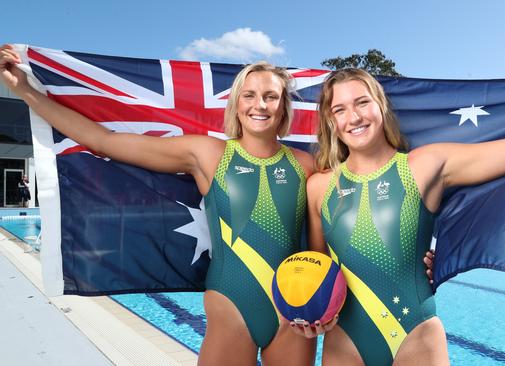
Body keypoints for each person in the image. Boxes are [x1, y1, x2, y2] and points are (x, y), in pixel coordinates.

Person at [298, 61, 505, 365]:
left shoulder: (424, 166)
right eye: (339, 109)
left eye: (362, 102)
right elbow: (318, 273)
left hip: (415, 336)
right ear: (330, 120)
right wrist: (312, 316)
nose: (353, 117)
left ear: (381, 106)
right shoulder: (320, 187)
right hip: (346, 342)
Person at [1, 44, 316, 365]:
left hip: (292, 313)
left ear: (284, 106)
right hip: (231, 308)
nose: (259, 105)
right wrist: (25, 91)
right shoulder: (208, 154)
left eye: (270, 96)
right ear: (236, 105)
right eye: (249, 95)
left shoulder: (305, 165)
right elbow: (103, 141)